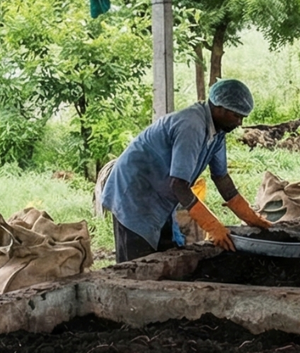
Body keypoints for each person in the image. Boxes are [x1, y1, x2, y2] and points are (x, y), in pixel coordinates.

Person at [101, 78, 272, 262]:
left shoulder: (218, 132)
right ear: (219, 107)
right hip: (134, 194)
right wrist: (212, 226)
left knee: (166, 257)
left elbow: (222, 179)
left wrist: (253, 219)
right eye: (236, 116)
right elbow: (178, 185)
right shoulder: (192, 126)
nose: (239, 123)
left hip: (160, 197)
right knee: (139, 263)